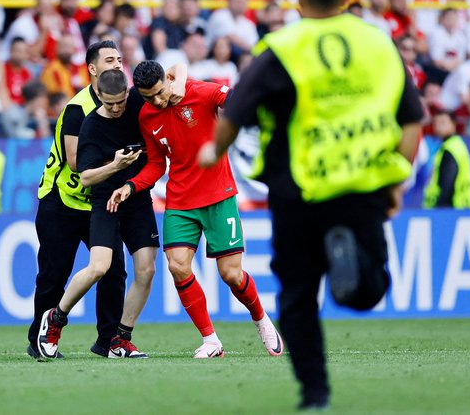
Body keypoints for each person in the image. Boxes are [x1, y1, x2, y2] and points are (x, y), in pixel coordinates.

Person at [197, 0, 424, 410]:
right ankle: (354, 276)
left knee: (298, 297)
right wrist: (398, 176)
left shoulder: (282, 46)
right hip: (363, 187)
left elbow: (236, 110)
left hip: (297, 189)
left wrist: (214, 150)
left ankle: (315, 394)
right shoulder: (378, 43)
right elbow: (412, 119)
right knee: (370, 286)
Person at [107, 60, 283, 359]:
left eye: (160, 93)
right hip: (180, 201)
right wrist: (131, 186)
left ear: (168, 80)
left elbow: (236, 100)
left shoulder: (201, 92)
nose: (157, 101)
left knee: (231, 275)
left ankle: (261, 319)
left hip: (219, 196)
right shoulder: (148, 116)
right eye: (149, 97)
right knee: (177, 266)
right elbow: (155, 164)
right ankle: (211, 340)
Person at [28, 40, 186, 360]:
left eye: (119, 59)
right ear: (93, 70)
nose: (116, 64)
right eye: (109, 59)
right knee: (55, 274)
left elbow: (173, 76)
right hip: (65, 201)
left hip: (115, 197)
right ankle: (40, 337)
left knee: (116, 271)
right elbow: (75, 165)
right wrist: (116, 164)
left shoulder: (132, 99)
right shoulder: (79, 110)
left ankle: (111, 340)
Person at [39, 70, 157, 359]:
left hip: (137, 197)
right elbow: (87, 177)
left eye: (121, 102)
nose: (116, 108)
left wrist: (131, 183)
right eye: (110, 103)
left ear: (127, 94)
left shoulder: (136, 106)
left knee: (147, 269)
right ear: (100, 96)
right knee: (99, 268)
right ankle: (55, 319)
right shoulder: (91, 125)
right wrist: (116, 166)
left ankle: (120, 339)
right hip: (107, 201)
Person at [423, 110, 470, 209]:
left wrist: (440, 209)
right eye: (436, 123)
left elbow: (447, 184)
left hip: (453, 208)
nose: (439, 127)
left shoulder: (450, 149)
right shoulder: (455, 145)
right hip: (464, 207)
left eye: (443, 123)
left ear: (453, 125)